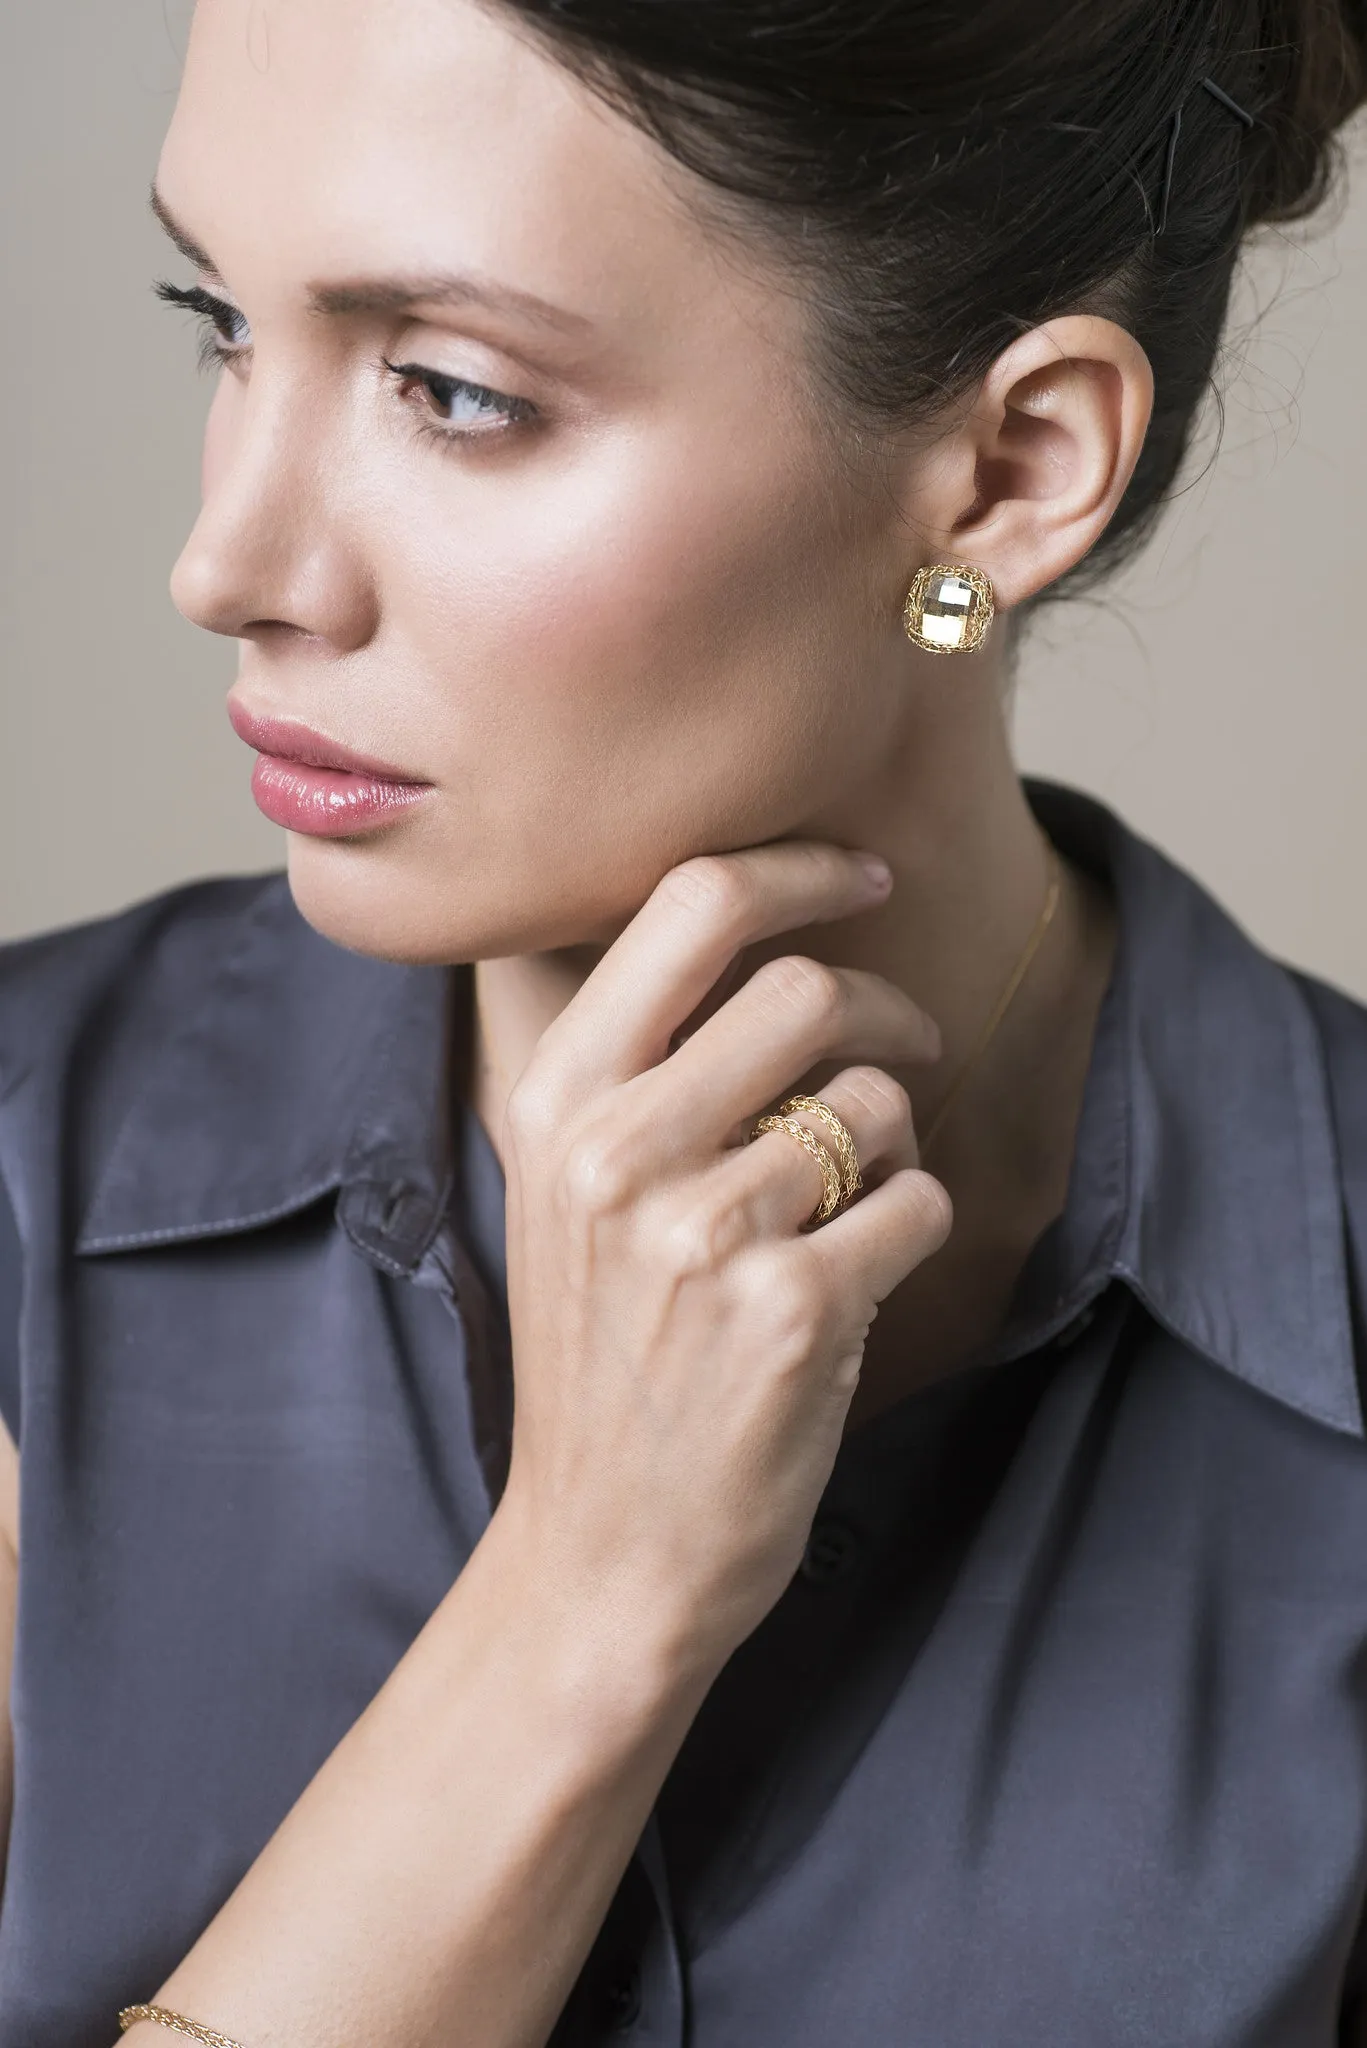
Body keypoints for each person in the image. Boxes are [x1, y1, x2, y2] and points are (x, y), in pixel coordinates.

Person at [2, 0, 1366, 2040]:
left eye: (453, 392)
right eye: (224, 317)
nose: (230, 560)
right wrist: (579, 1606)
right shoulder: (29, 1182)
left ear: (1006, 471)